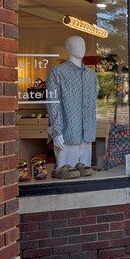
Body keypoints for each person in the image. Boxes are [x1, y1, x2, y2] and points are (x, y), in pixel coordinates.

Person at [46, 36, 98, 178]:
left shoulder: (91, 75)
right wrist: (56, 131)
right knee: (66, 173)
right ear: (68, 48)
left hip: (86, 134)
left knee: (84, 175)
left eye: (83, 44)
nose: (81, 48)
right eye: (77, 45)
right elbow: (53, 102)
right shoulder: (57, 72)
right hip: (67, 133)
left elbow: (94, 104)